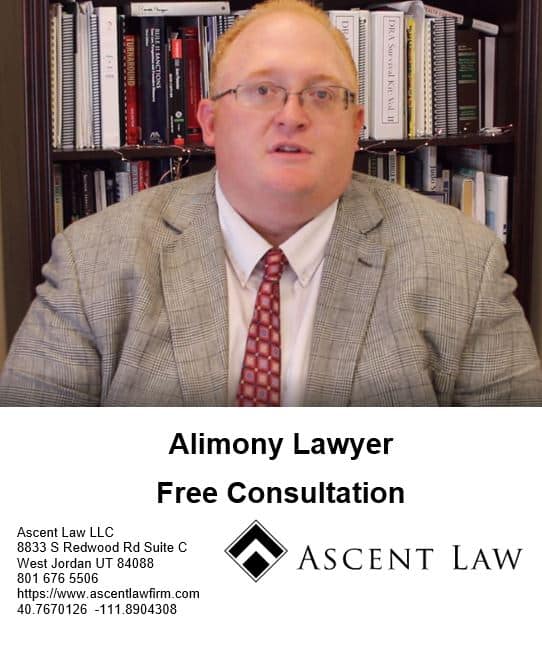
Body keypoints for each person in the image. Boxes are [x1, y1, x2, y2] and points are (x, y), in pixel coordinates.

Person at [1, 0, 541, 406]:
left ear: (355, 127)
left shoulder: (461, 263)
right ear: (210, 122)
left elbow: (507, 480)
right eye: (262, 90)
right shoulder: (94, 260)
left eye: (322, 94)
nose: (292, 115)